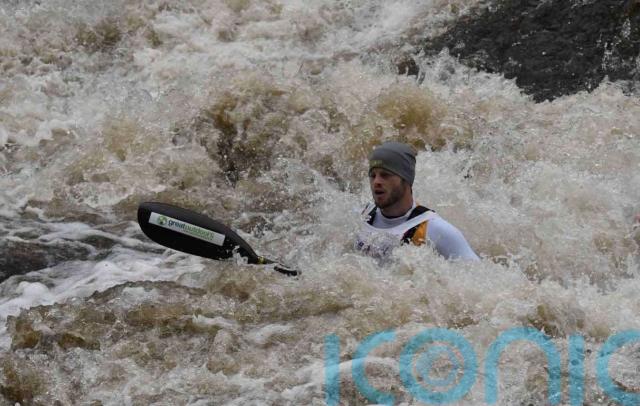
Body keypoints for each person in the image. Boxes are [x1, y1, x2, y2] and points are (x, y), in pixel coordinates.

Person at [355, 141, 480, 261]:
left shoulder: (436, 230)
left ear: (406, 179)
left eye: (385, 175)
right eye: (373, 175)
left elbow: (476, 271)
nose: (376, 182)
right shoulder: (361, 216)